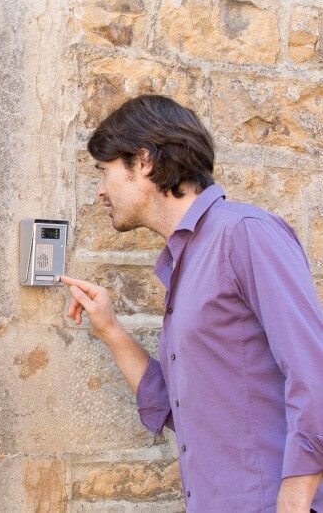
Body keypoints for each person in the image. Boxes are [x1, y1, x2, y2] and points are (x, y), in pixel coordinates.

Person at [60, 95, 323, 512]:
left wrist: (295, 495)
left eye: (105, 172)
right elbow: (178, 407)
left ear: (143, 161)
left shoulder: (244, 233)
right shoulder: (183, 262)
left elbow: (314, 369)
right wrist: (110, 330)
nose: (100, 190)